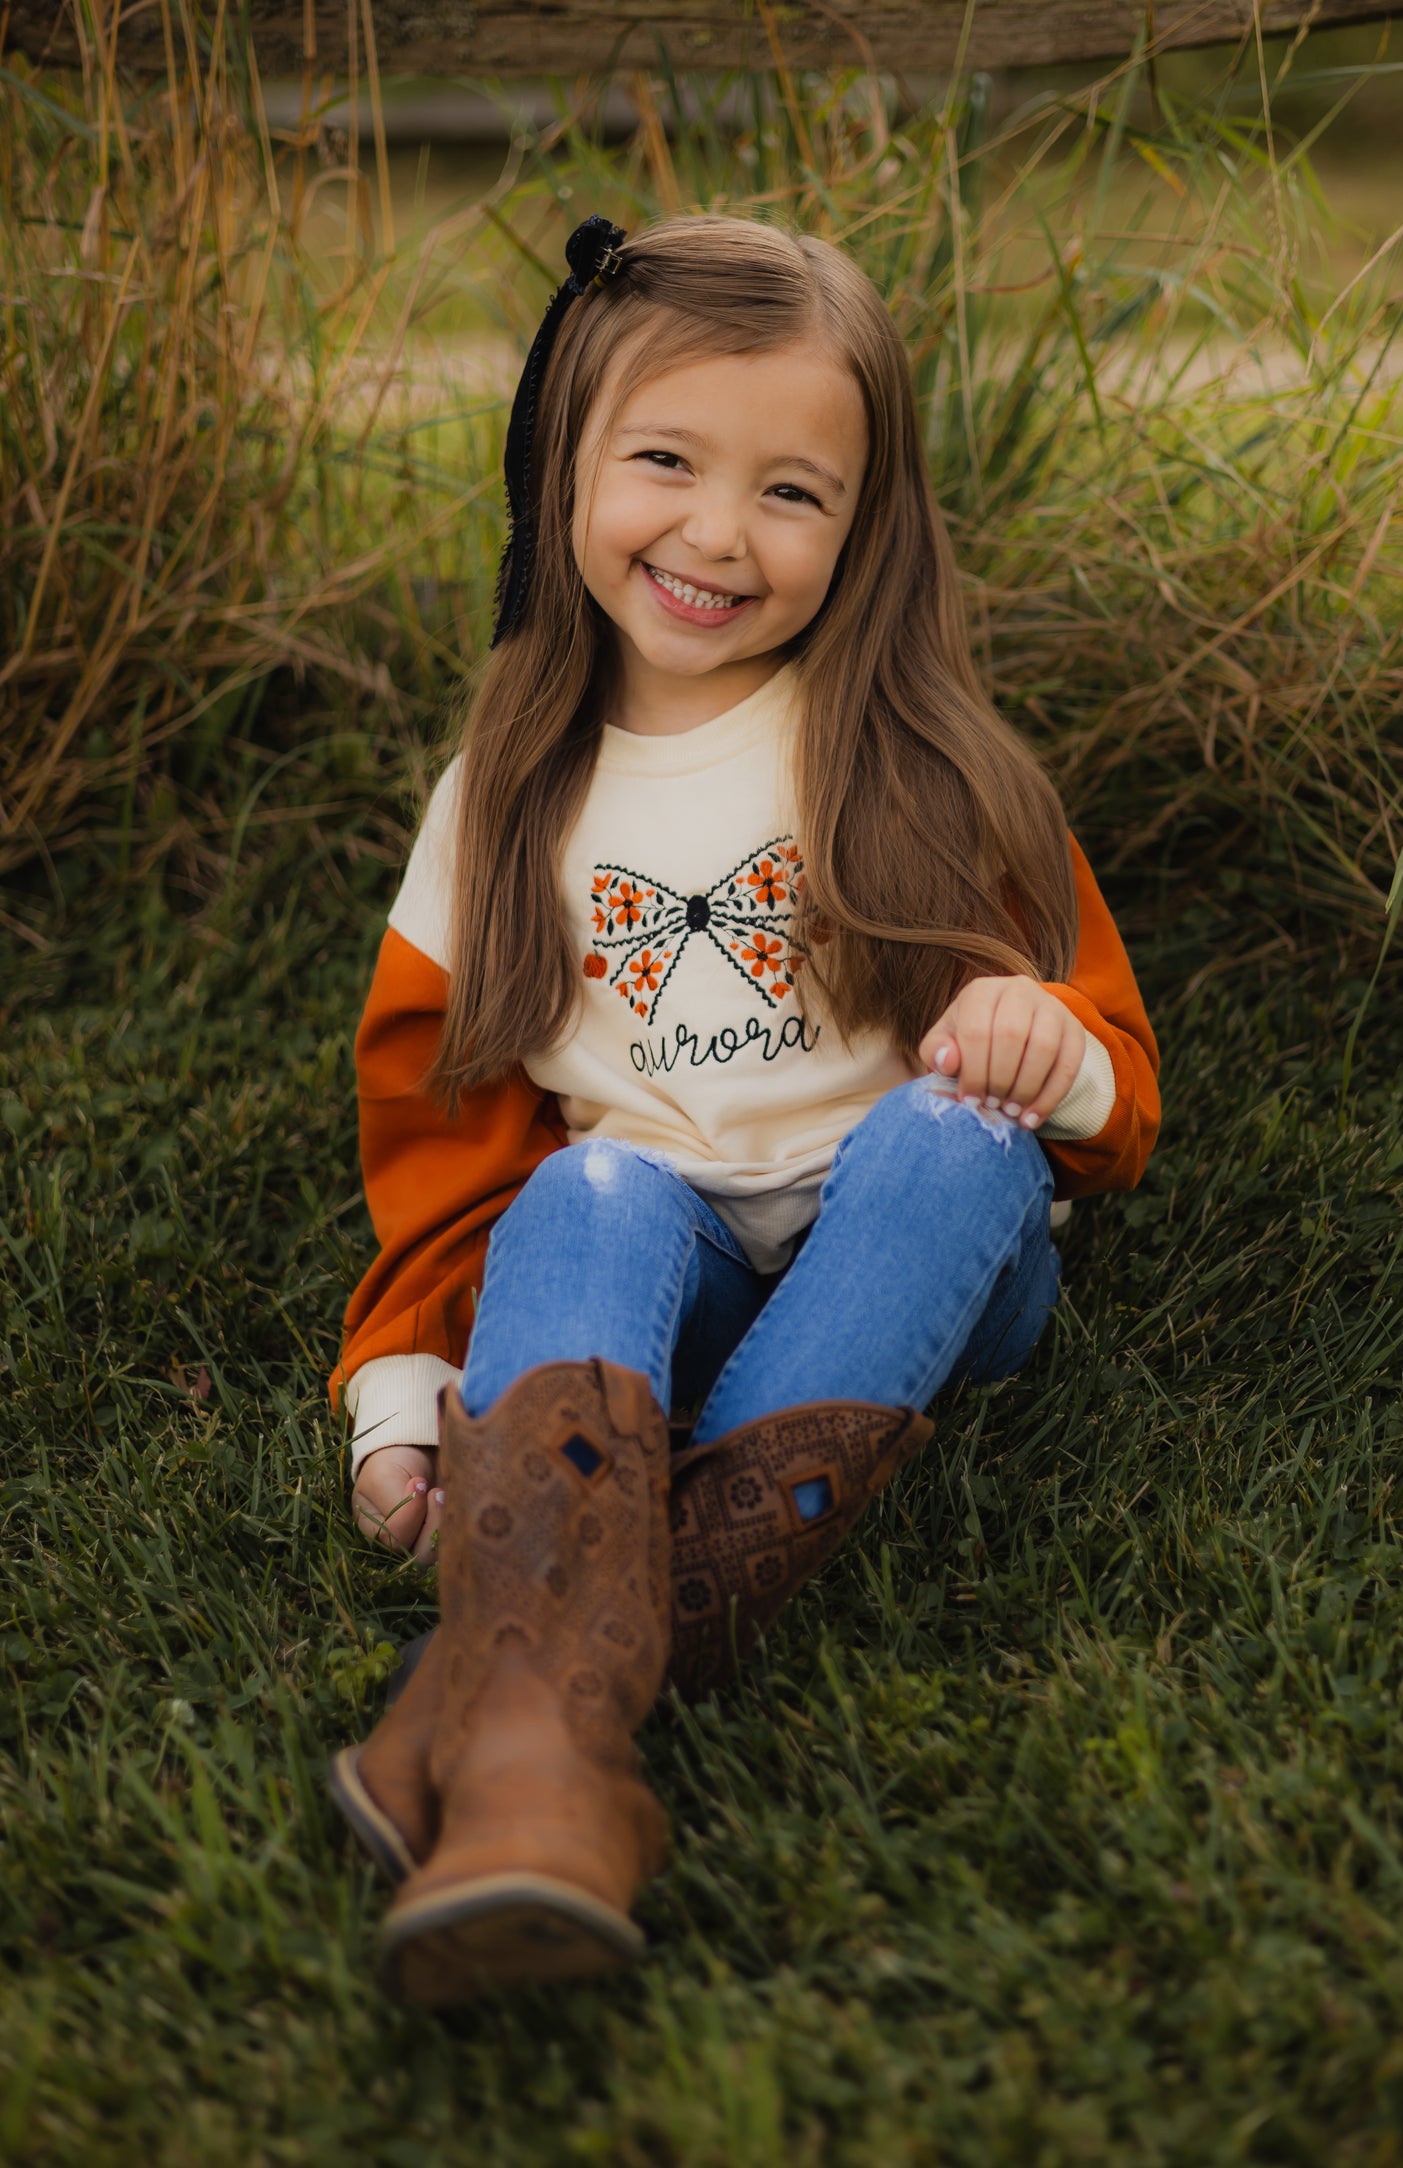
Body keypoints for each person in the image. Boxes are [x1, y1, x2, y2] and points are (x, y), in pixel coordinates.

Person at [326, 213, 1160, 2004]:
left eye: (792, 492)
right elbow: (446, 1135)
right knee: (593, 1193)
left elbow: (1110, 1098)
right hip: (670, 1278)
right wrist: (405, 1389)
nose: (715, 533)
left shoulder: (924, 760)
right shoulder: (504, 802)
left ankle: (526, 1672)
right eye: (665, 462)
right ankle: (550, 1769)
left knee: (950, 1144)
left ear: (867, 532)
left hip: (924, 1259)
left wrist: (1043, 1037)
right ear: (565, 455)